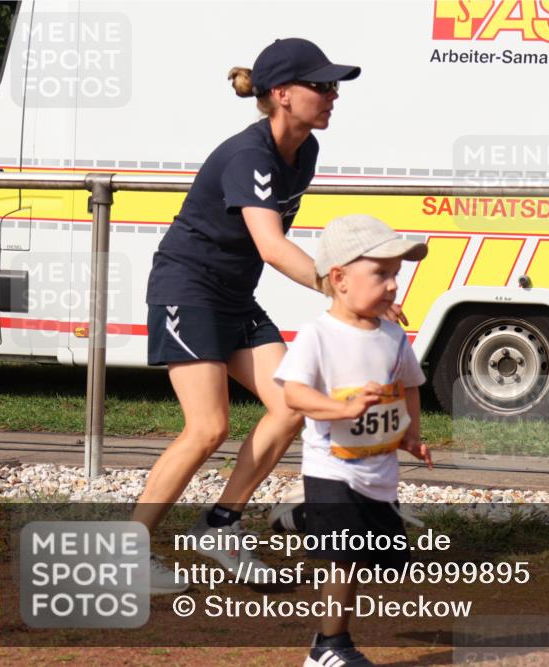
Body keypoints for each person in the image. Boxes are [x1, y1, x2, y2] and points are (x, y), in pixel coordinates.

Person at [132, 38, 375, 594]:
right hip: (186, 288)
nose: (333, 95)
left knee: (292, 403)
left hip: (233, 296)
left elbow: (270, 244)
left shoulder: (304, 150)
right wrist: (342, 288)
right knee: (208, 427)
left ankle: (219, 525)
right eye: (322, 85)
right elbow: (270, 245)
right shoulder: (250, 154)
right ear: (282, 95)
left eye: (335, 85)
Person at [272, 214, 432, 667]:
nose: (393, 285)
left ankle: (303, 518)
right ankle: (329, 649)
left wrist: (410, 435)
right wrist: (341, 409)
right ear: (339, 279)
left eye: (396, 275)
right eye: (381, 273)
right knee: (343, 558)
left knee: (378, 560)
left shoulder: (393, 336)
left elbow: (410, 384)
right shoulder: (318, 336)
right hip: (331, 469)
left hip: (378, 474)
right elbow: (295, 393)